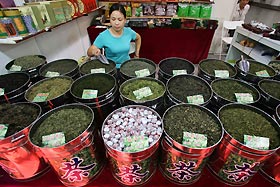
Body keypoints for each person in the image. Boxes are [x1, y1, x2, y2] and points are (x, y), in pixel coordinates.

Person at [87, 3, 141, 69]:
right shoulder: (103, 36)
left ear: (125, 20)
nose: (116, 23)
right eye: (113, 19)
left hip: (127, 66)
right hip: (112, 68)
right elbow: (89, 52)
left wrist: (136, 54)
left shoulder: (129, 32)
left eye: (120, 19)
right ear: (109, 19)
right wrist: (94, 51)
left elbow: (138, 38)